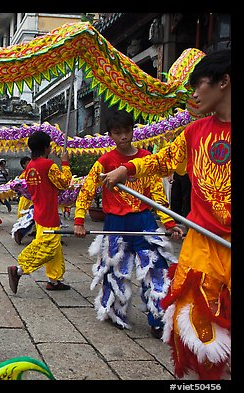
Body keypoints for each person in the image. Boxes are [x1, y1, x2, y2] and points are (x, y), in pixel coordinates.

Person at [102, 49, 231, 380]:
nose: (193, 94)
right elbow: (161, 160)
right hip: (202, 243)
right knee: (199, 325)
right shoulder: (194, 132)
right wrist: (126, 169)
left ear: (224, 82)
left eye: (198, 84)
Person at [73, 109, 182, 339]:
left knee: (157, 270)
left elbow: (156, 193)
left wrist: (169, 223)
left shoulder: (145, 159)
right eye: (117, 132)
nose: (123, 136)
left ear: (133, 131)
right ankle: (115, 314)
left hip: (144, 222)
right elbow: (86, 190)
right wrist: (79, 221)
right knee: (114, 273)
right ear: (110, 135)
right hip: (115, 224)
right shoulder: (104, 162)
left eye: (126, 131)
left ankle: (158, 319)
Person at [7, 131, 72, 294]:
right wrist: (65, 163)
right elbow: (64, 183)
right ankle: (19, 270)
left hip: (40, 210)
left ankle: (54, 280)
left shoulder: (30, 166)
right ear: (46, 148)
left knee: (55, 247)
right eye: (49, 145)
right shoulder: (48, 165)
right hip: (48, 213)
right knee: (47, 247)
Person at [11, 156, 34, 245]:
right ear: (23, 165)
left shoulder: (32, 172)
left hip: (33, 198)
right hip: (27, 198)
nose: (30, 164)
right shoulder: (25, 174)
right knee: (30, 216)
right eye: (28, 162)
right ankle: (21, 232)